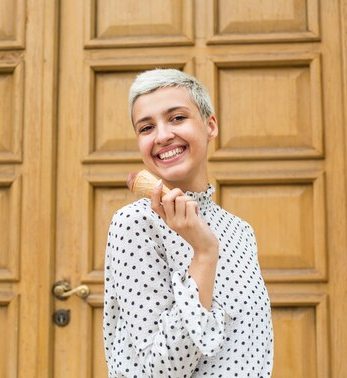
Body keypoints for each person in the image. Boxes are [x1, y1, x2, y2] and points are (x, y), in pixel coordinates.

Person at [103, 69, 273, 377]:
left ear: (210, 126)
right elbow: (158, 372)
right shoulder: (135, 223)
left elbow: (251, 348)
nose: (162, 135)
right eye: (146, 127)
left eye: (177, 118)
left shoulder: (240, 230)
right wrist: (204, 254)